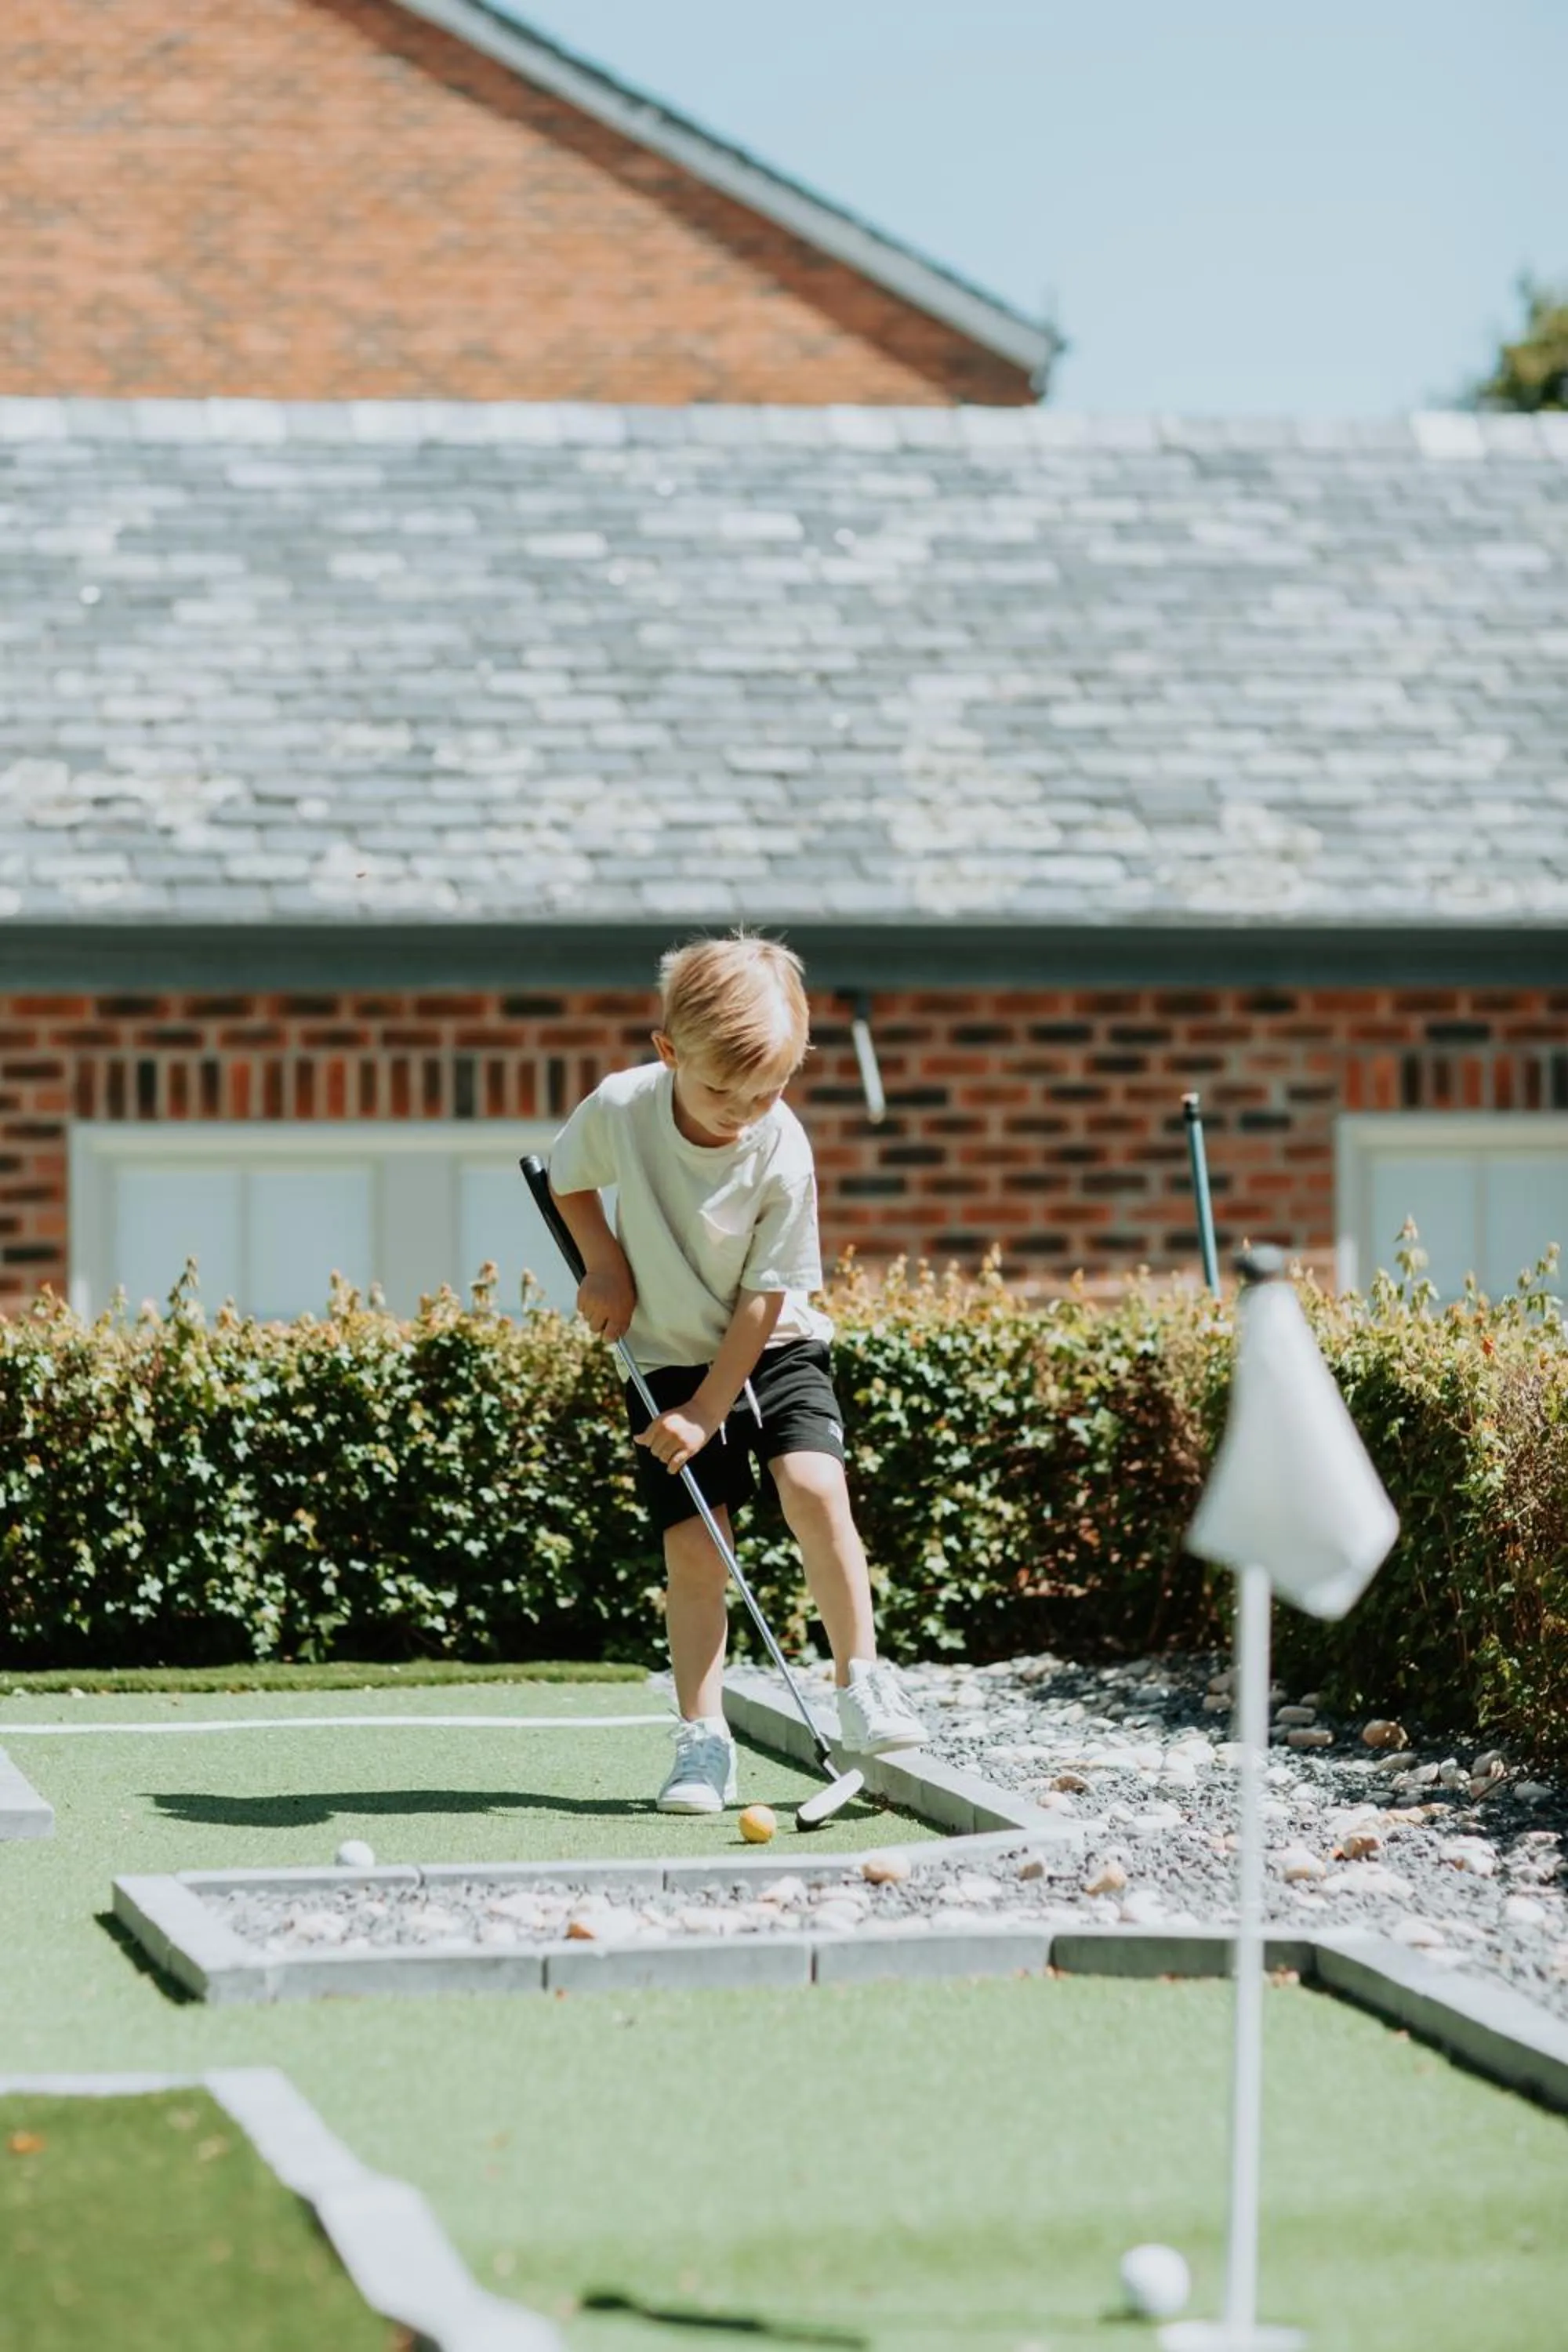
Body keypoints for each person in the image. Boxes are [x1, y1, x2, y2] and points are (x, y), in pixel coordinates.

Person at [547, 932, 927, 1813]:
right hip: (665, 1356)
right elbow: (566, 1180)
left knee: (815, 1489)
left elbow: (765, 1297)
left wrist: (708, 1411)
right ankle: (703, 1740)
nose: (744, 1112)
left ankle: (861, 1679)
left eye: (769, 1090)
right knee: (694, 1550)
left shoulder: (780, 1146)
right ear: (668, 1051)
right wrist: (603, 1263)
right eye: (723, 1090)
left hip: (775, 1344)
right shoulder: (622, 1107)